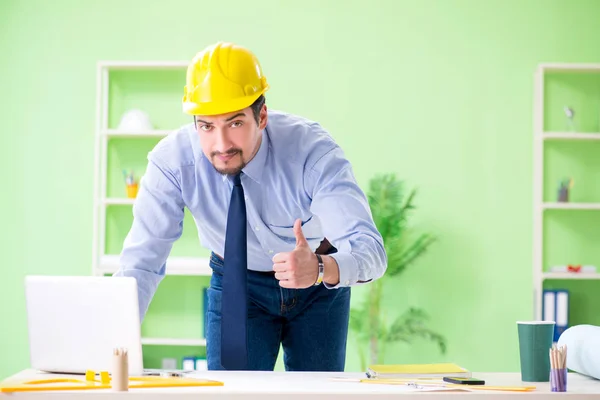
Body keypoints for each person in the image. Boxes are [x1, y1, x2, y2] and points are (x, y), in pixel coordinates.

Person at [114, 41, 387, 372]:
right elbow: (141, 262)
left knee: (318, 396)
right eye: (207, 126)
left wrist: (318, 268)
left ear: (262, 116)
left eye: (235, 123)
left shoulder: (312, 153)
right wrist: (112, 342)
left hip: (316, 286)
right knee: (231, 394)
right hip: (236, 283)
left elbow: (370, 251)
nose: (221, 144)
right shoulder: (172, 163)